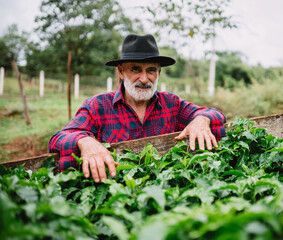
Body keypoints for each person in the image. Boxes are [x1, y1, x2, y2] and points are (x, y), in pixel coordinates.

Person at [48, 34, 226, 182]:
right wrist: (85, 141)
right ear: (121, 71)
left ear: (158, 73)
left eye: (150, 70)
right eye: (135, 69)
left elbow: (213, 114)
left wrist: (202, 120)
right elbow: (59, 139)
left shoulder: (172, 104)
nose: (144, 78)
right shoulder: (98, 106)